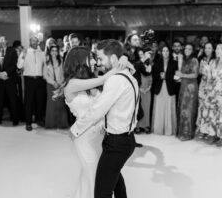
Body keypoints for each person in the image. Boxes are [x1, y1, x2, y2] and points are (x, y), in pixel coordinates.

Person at [70, 39, 138, 198]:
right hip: (125, 139)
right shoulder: (129, 76)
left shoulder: (115, 80)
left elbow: (97, 111)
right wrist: (125, 60)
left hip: (116, 143)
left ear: (113, 59)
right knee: (116, 182)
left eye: (100, 58)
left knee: (101, 193)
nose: (98, 62)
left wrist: (76, 129)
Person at [17, 36, 46, 131]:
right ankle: (28, 122)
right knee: (29, 102)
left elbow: (46, 64)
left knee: (40, 101)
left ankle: (39, 120)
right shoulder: (24, 52)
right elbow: (19, 66)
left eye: (35, 41)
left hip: (40, 80)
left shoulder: (41, 53)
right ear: (29, 42)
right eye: (32, 41)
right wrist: (23, 55)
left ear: (38, 42)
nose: (34, 42)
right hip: (29, 80)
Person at [0, 35, 18, 126]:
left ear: (7, 41)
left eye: (3, 40)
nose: (1, 42)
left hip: (9, 79)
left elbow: (14, 64)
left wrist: (6, 73)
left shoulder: (12, 51)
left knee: (12, 100)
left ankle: (15, 119)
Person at [152, 45, 179, 135]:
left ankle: (169, 130)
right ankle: (158, 129)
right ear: (161, 52)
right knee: (159, 109)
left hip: (170, 88)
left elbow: (177, 77)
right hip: (159, 88)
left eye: (167, 51)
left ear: (170, 52)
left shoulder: (175, 63)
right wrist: (160, 76)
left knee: (169, 108)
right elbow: (154, 76)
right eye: (163, 51)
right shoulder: (157, 62)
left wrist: (166, 76)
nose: (165, 52)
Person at [176, 43, 199, 141]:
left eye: (189, 49)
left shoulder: (194, 60)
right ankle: (181, 132)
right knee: (182, 109)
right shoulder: (184, 60)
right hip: (183, 86)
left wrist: (182, 75)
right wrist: (179, 76)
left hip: (191, 87)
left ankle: (188, 133)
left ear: (192, 50)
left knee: (188, 110)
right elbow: (180, 73)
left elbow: (195, 75)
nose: (187, 50)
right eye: (186, 48)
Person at [43, 45, 69, 129]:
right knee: (51, 104)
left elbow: (63, 73)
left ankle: (61, 124)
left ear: (58, 52)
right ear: (50, 52)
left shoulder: (61, 61)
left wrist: (60, 82)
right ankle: (51, 124)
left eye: (55, 51)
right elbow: (45, 75)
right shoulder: (46, 62)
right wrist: (53, 82)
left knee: (60, 104)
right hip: (50, 85)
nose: (54, 52)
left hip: (60, 85)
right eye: (52, 51)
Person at [195, 42, 216, 140]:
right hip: (202, 85)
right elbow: (199, 72)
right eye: (205, 48)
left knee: (210, 109)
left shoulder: (215, 60)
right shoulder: (202, 59)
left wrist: (208, 72)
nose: (207, 50)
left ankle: (209, 131)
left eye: (209, 48)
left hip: (211, 86)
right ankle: (201, 129)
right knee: (201, 108)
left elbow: (215, 74)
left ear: (213, 49)